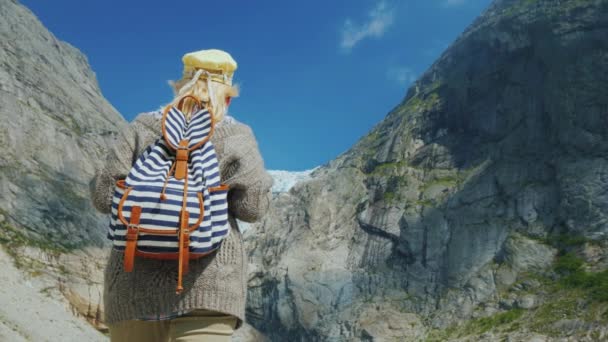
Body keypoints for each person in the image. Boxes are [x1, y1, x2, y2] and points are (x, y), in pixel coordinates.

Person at [90, 49, 274, 341]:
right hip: (207, 288)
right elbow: (252, 208)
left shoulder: (141, 126)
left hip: (131, 290)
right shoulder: (236, 134)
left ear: (180, 86)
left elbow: (103, 196)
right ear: (227, 95)